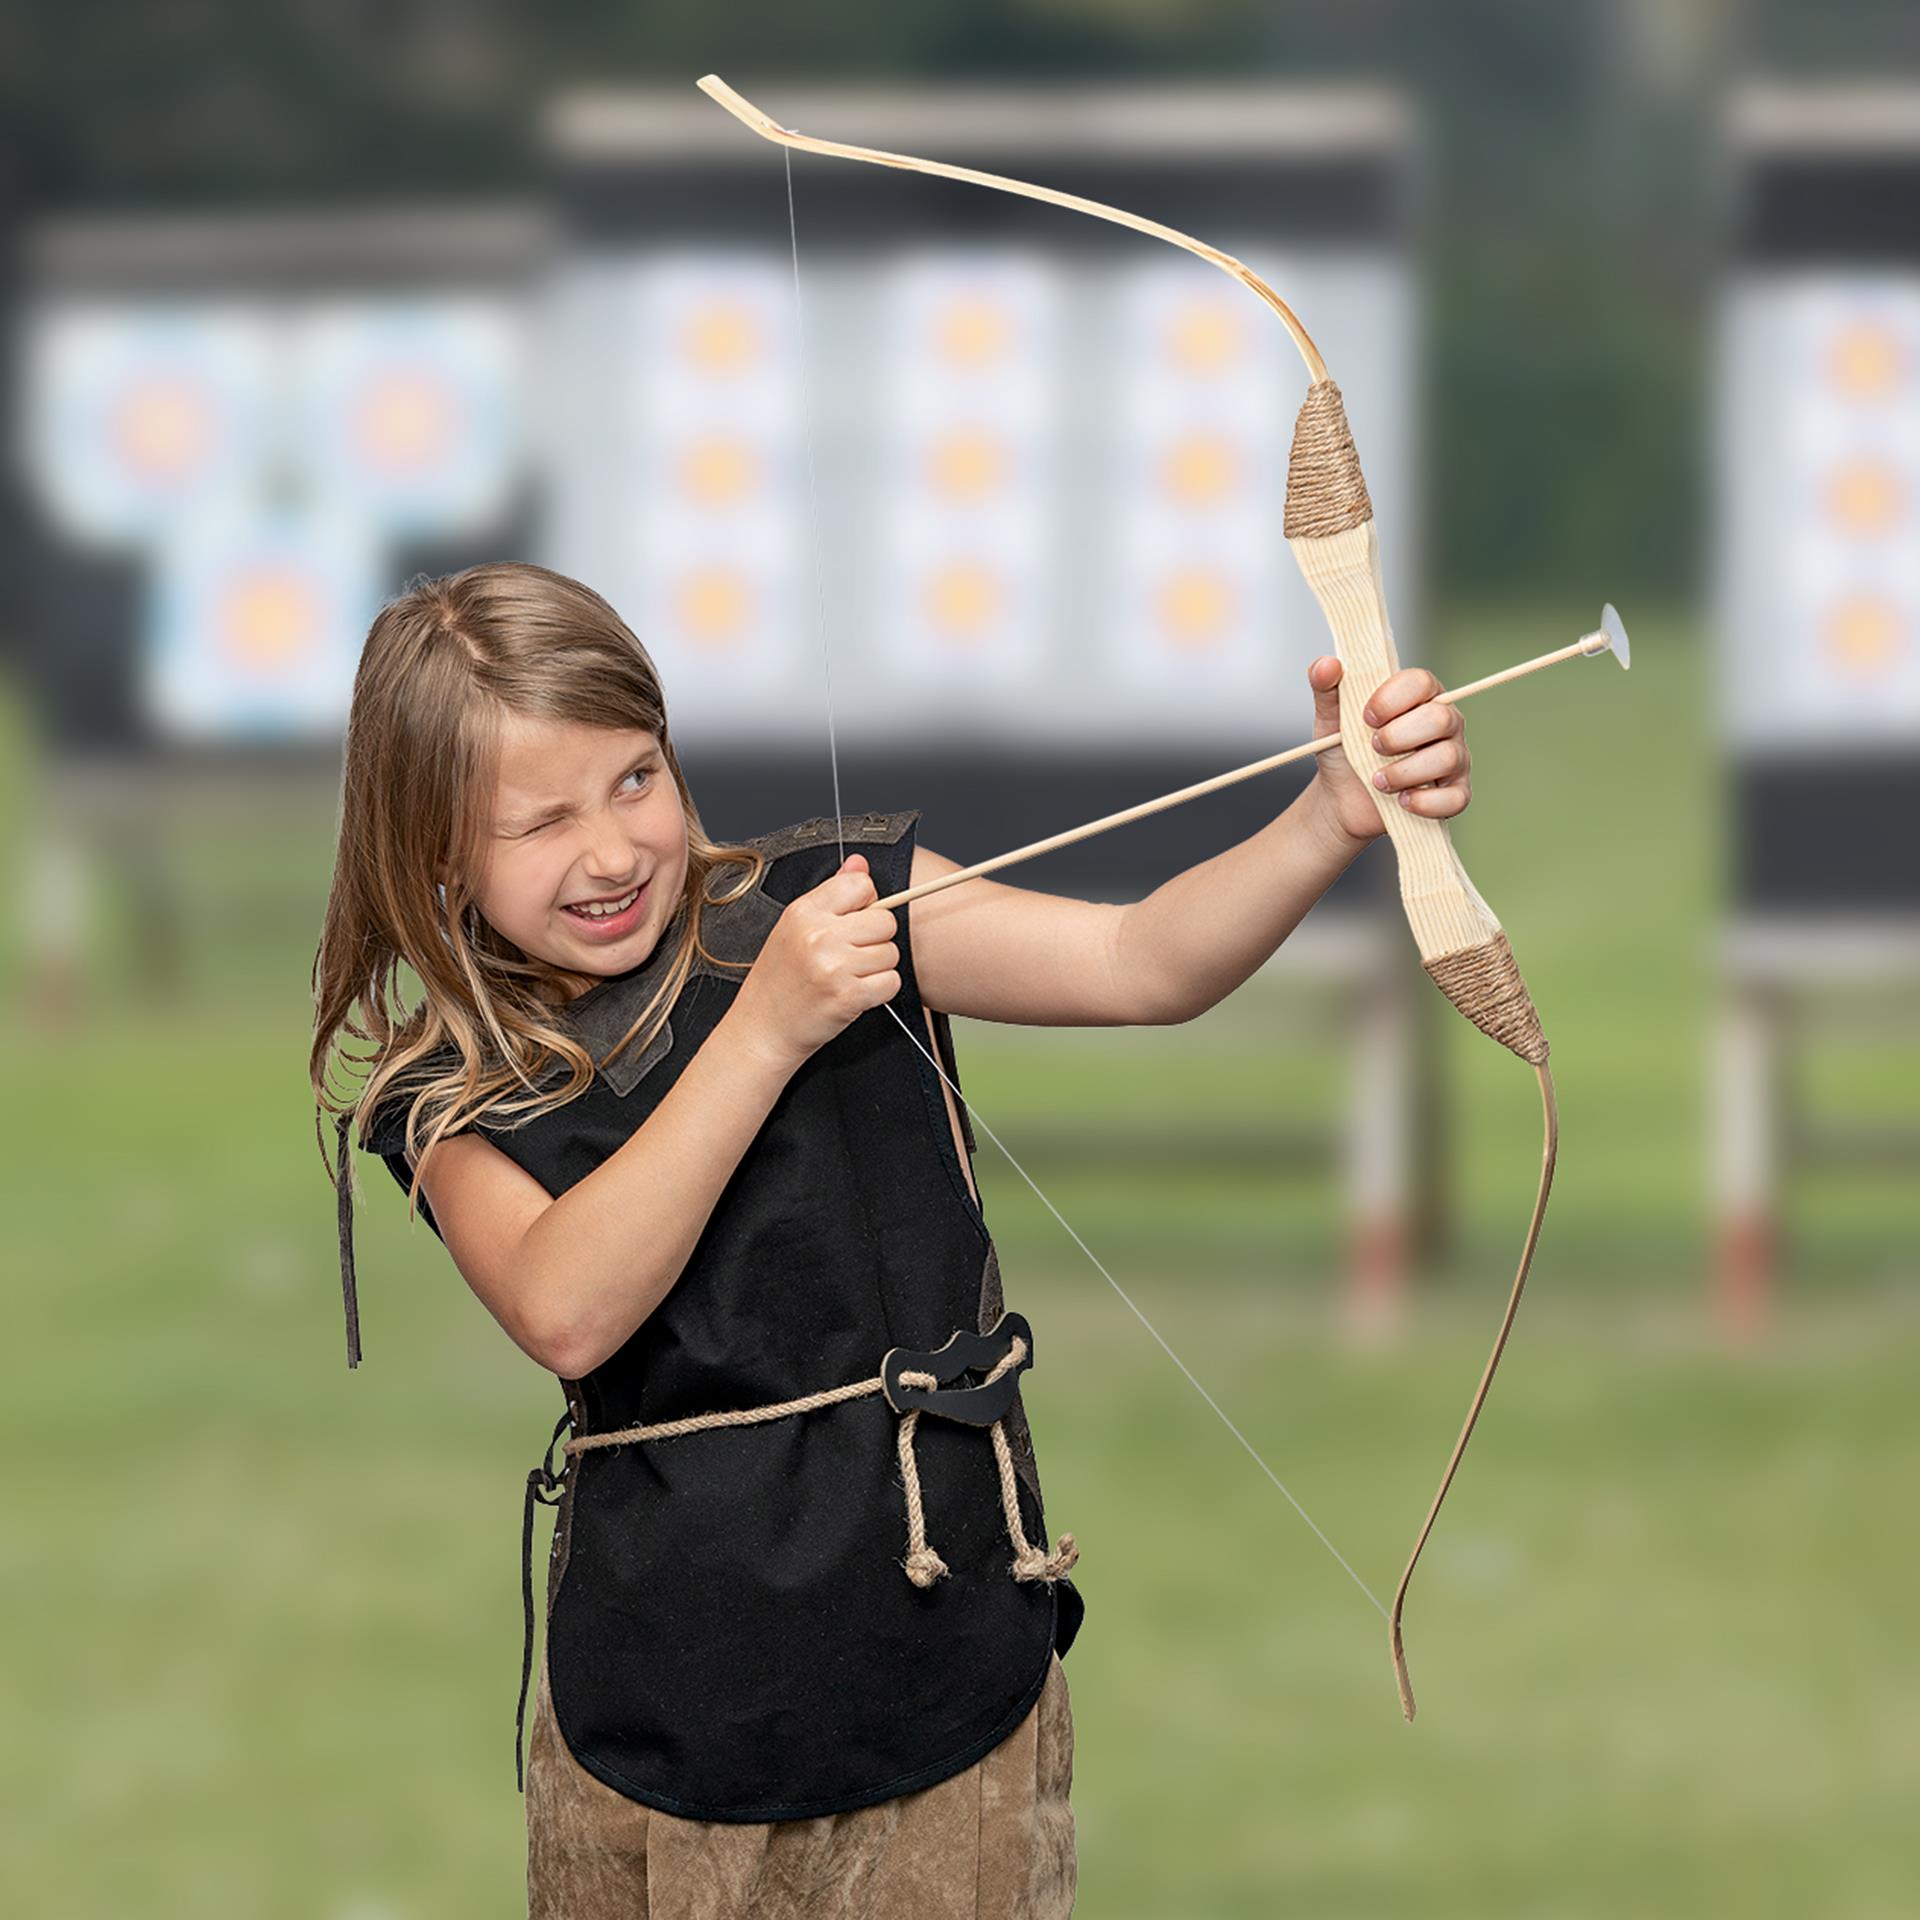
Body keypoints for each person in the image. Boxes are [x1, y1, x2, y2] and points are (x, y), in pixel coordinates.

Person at [308, 559, 1472, 1918]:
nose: (613, 849)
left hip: (944, 1679)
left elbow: (1143, 966)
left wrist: (1332, 812)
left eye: (634, 778)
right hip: (668, 1725)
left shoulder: (834, 910)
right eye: (539, 822)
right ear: (436, 853)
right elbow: (567, 1307)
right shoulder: (456, 1091)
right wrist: (769, 1027)